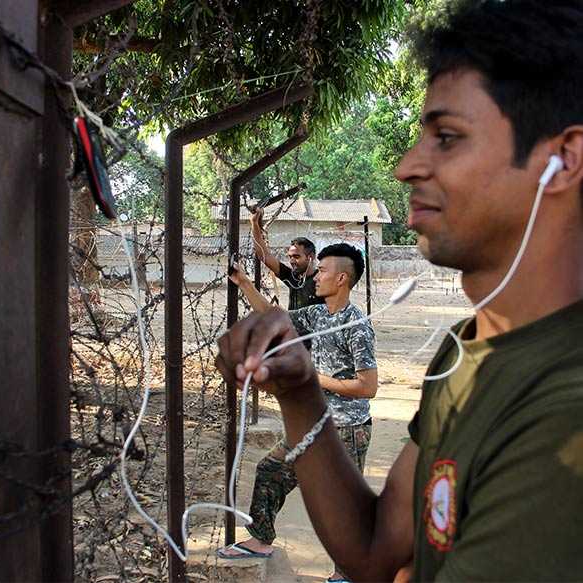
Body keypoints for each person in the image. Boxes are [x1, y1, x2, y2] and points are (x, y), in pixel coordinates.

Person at [215, 1, 583, 580]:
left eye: (448, 137)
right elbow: (375, 548)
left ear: (561, 162)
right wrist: (300, 391)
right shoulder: (468, 352)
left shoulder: (564, 413)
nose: (408, 166)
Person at [218, 244, 377, 583]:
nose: (316, 275)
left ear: (342, 278)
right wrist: (244, 282)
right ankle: (260, 539)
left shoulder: (357, 326)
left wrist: (316, 378)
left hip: (347, 430)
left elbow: (368, 386)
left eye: (323, 271)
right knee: (271, 471)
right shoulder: (318, 315)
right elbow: (275, 319)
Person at [250, 208, 325, 310]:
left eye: (296, 256)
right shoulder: (293, 277)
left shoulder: (323, 281)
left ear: (310, 257)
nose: (292, 261)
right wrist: (254, 223)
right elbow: (264, 255)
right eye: (290, 257)